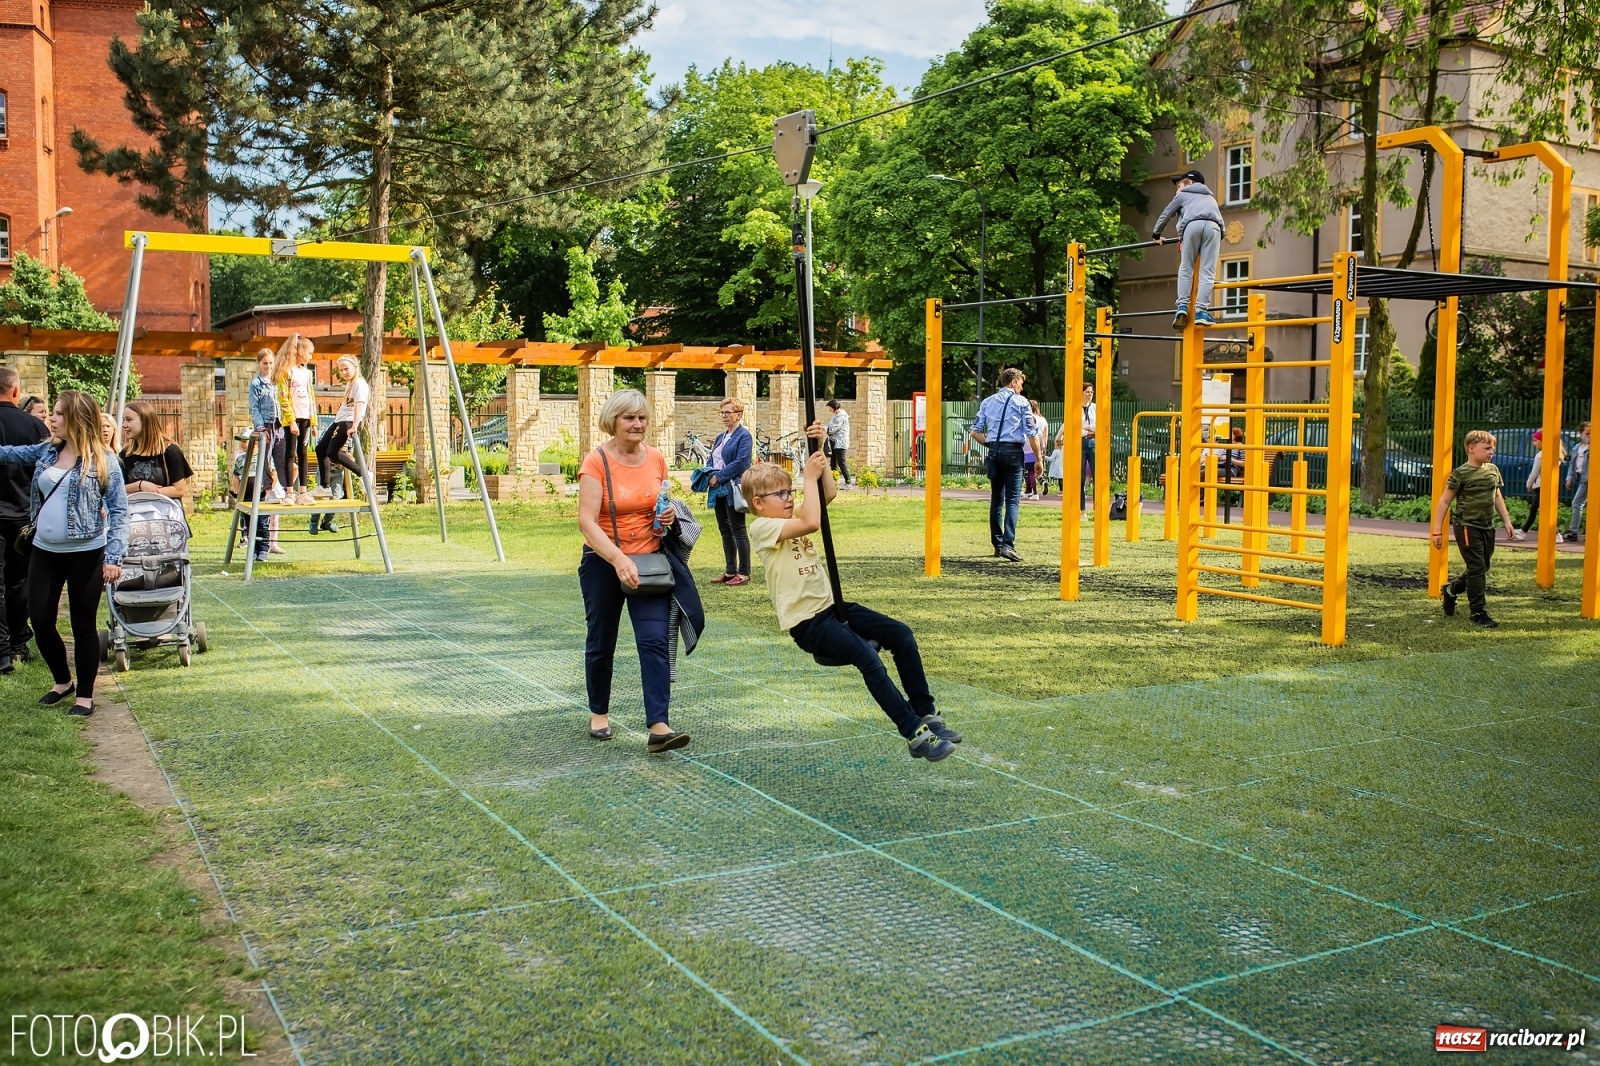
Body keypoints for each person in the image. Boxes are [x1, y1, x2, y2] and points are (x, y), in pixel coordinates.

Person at [744, 424, 962, 762]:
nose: (790, 498)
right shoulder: (762, 527)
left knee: (901, 635)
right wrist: (807, 476)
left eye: (790, 492)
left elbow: (827, 494)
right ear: (758, 503)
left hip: (833, 608)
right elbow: (813, 521)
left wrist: (820, 450)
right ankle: (914, 734)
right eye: (781, 494)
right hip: (808, 624)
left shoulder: (790, 514)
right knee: (868, 658)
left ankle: (926, 713)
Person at [577, 389, 692, 754]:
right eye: (629, 418)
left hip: (650, 564)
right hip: (604, 562)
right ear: (613, 421)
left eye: (642, 417)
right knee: (602, 640)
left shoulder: (656, 459)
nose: (638, 424)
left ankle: (659, 727)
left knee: (655, 640)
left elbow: (658, 507)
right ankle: (599, 713)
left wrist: (667, 516)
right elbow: (586, 521)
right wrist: (617, 559)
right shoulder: (596, 461)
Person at [0, 390, 127, 715]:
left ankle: (84, 696)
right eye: (52, 413)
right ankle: (62, 682)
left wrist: (113, 558)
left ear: (76, 419)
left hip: (87, 553)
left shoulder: (104, 460)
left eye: (58, 414)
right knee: (41, 620)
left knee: (83, 625)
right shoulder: (47, 450)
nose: (51, 419)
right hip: (44, 551)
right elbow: (9, 454)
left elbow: (119, 511)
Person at [1432, 429, 1522, 629]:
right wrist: (1437, 531)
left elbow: (1497, 496)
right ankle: (1478, 612)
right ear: (1471, 449)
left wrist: (1507, 521)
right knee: (1477, 568)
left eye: (1493, 448)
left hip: (1487, 526)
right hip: (1466, 526)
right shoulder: (1460, 473)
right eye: (1487, 448)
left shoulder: (1493, 470)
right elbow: (1444, 501)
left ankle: (1451, 591)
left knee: (1481, 567)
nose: (1492, 452)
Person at [0, 368, 49, 671]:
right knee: (19, 582)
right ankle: (18, 642)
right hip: (22, 516)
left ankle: (2, 650)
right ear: (16, 392)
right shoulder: (34, 426)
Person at [970, 368, 1038, 562]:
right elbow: (1031, 433)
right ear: (1013, 382)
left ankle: (997, 544)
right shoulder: (1021, 402)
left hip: (994, 451)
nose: (1022, 387)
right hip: (1013, 452)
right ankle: (1008, 545)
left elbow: (974, 431)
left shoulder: (988, 401)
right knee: (1013, 500)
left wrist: (991, 444)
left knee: (996, 500)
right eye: (1021, 383)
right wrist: (1039, 459)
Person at [1152, 169, 1225, 330]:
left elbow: (1166, 214)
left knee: (1186, 267)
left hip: (1192, 226)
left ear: (1190, 183)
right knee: (1207, 271)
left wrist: (1156, 234)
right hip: (1214, 228)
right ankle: (1201, 312)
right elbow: (1221, 223)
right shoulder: (1210, 198)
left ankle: (1182, 307)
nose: (1177, 190)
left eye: (1179, 186)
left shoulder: (1183, 195)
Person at [311, 355, 369, 535]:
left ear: (355, 366)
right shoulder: (350, 383)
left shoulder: (359, 384)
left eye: (346, 369)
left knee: (332, 451)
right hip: (339, 420)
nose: (344, 372)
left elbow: (359, 405)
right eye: (341, 370)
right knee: (320, 449)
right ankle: (324, 486)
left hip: (348, 421)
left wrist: (355, 425)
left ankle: (364, 474)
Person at [707, 397, 754, 587]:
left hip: (732, 488)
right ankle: (730, 570)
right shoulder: (721, 436)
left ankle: (744, 572)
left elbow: (741, 462)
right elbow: (712, 458)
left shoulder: (744, 436)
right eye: (722, 412)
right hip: (718, 490)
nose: (724, 416)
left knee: (738, 529)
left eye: (728, 412)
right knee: (725, 530)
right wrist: (708, 473)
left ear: (739, 415)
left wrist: (719, 476)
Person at [119, 400, 193, 499]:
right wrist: (140, 485)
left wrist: (148, 493)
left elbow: (179, 490)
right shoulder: (126, 454)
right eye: (124, 420)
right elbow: (118, 489)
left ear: (145, 421)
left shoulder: (171, 451)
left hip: (164, 508)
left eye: (129, 420)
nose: (124, 425)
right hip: (133, 508)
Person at [1518, 429, 1568, 542]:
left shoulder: (1540, 455)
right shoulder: (1555, 454)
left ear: (1543, 441)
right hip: (1550, 486)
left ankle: (1556, 535)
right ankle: (1523, 531)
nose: (1533, 443)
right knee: (1535, 508)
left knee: (1543, 510)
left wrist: (1529, 484)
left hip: (1541, 486)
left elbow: (1534, 472)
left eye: (1536, 440)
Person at [270, 335, 301, 503]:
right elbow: (283, 399)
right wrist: (291, 420)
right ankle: (282, 491)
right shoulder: (285, 373)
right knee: (283, 457)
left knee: (291, 458)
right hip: (280, 421)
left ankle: (289, 490)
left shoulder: (302, 373)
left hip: (286, 421)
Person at [288, 336, 317, 504]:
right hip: (292, 418)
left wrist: (314, 422)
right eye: (310, 353)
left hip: (305, 417)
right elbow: (283, 397)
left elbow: (311, 397)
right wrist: (291, 420)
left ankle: (303, 492)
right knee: (290, 453)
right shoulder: (288, 371)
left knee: (303, 453)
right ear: (300, 351)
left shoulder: (307, 373)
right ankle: (289, 492)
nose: (311, 357)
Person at [1566, 420, 1589, 542]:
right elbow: (1572, 464)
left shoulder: (1594, 447)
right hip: (1581, 477)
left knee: (1577, 503)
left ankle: (1574, 531)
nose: (1589, 436)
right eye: (1587, 433)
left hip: (1588, 479)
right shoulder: (1576, 448)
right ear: (1581, 433)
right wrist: (1569, 478)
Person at [1023, 398, 1047, 500]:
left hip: (1027, 453)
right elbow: (1043, 440)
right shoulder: (1040, 428)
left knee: (1030, 472)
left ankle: (1035, 493)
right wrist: (1042, 449)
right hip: (1037, 453)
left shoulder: (1026, 433)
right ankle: (1028, 491)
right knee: (1032, 472)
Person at [825, 399, 852, 487]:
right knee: (833, 463)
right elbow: (829, 426)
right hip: (835, 442)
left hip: (840, 443)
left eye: (830, 408)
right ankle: (834, 482)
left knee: (841, 463)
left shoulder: (841, 416)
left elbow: (831, 429)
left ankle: (848, 482)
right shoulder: (836, 415)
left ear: (834, 407)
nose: (829, 410)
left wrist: (822, 428)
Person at [1079, 384, 1097, 511]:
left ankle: (1097, 508)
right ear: (1081, 393)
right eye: (1087, 391)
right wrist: (1090, 431)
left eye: (1091, 392)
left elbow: (1099, 426)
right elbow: (1075, 428)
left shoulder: (1095, 408)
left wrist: (1085, 428)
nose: (1090, 394)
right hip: (1080, 443)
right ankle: (1082, 509)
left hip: (1093, 443)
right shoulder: (1076, 408)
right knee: (1080, 477)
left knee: (1097, 475)